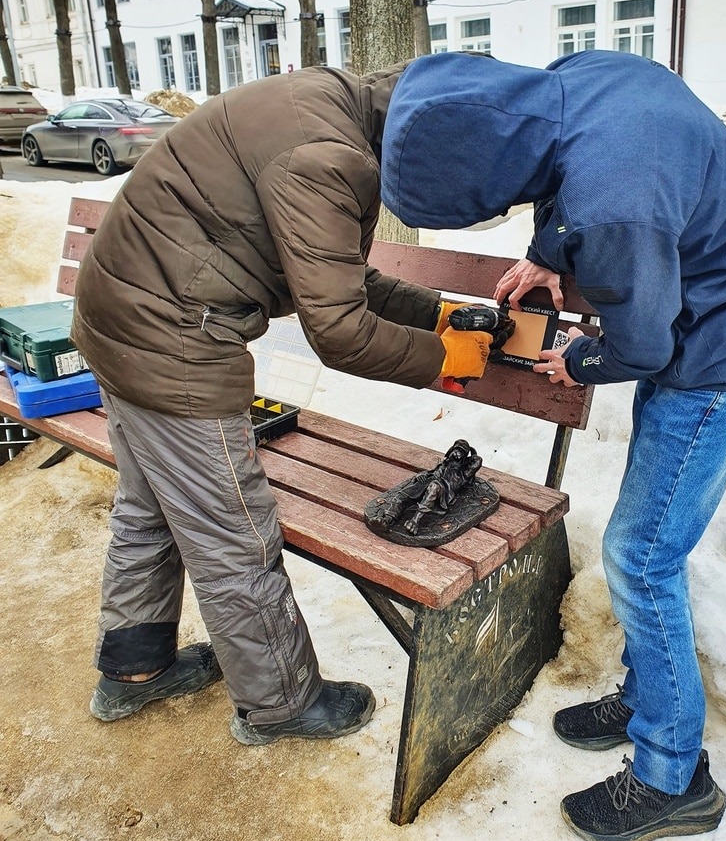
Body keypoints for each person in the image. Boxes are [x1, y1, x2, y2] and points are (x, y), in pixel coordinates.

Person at [379, 48, 726, 841]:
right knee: (644, 546)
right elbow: (571, 173)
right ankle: (653, 699)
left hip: (724, 359)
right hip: (710, 322)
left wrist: (578, 361)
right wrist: (548, 250)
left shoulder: (619, 203)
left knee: (642, 556)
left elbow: (640, 346)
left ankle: (671, 776)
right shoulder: (581, 79)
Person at [71, 65, 493, 747]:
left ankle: (135, 668)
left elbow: (338, 279)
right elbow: (339, 329)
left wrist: (437, 310)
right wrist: (442, 360)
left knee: (151, 508)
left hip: (125, 317)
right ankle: (282, 702)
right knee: (234, 534)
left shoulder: (332, 104)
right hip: (172, 340)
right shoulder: (327, 159)